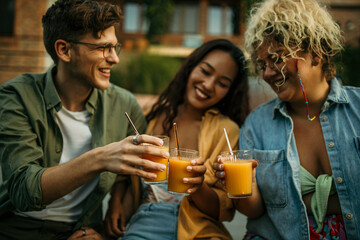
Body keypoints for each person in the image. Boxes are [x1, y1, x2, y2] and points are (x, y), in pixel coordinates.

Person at [0, 0, 169, 239]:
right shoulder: (16, 97)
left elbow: (131, 173)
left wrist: (117, 201)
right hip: (15, 228)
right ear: (64, 50)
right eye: (103, 48)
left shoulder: (124, 104)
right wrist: (100, 158)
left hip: (82, 230)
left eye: (115, 48)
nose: (114, 59)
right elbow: (23, 191)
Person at [213, 0, 360, 239]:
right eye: (262, 64)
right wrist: (240, 185)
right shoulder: (258, 124)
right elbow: (254, 209)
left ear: (316, 52)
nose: (268, 73)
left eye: (278, 59)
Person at [104, 39, 250, 240]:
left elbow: (224, 211)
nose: (208, 85)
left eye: (222, 83)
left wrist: (198, 186)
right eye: (205, 72)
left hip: (199, 232)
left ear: (229, 91)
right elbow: (128, 172)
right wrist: (116, 200)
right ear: (190, 68)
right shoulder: (152, 117)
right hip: (145, 225)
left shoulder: (226, 130)